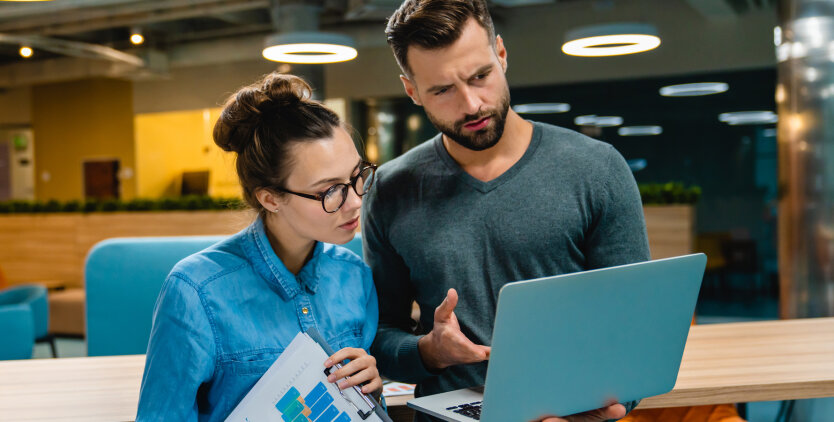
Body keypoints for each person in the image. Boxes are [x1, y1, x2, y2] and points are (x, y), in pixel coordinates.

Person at [361, 0, 651, 420]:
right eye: (442, 90)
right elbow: (380, 337)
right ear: (412, 91)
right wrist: (430, 350)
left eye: (481, 76)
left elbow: (635, 331)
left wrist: (595, 406)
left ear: (501, 54)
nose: (472, 104)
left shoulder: (597, 168)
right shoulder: (390, 188)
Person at [137, 73, 382, 421]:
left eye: (357, 177)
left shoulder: (354, 275)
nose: (355, 201)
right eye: (330, 190)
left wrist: (371, 390)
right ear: (270, 198)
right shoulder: (196, 291)